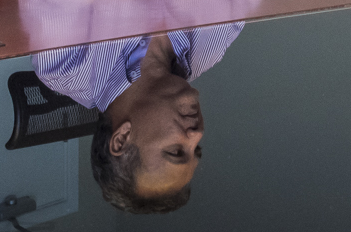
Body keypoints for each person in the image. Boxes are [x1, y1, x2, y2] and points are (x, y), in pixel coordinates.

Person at [32, 22, 242, 213]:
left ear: (122, 138)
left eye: (176, 151)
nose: (197, 134)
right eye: (196, 149)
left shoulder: (65, 67)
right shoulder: (209, 49)